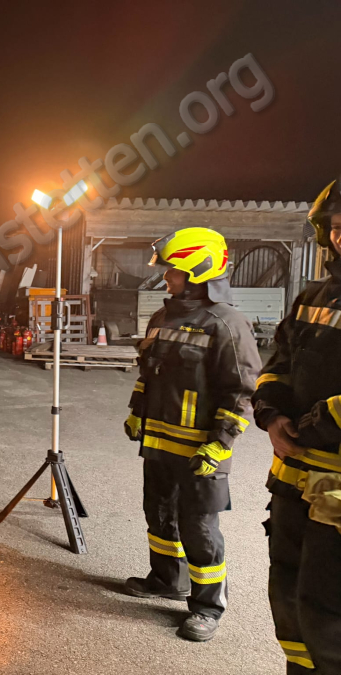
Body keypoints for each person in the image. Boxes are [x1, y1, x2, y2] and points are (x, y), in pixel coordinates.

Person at [123, 227, 260, 642]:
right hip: (159, 444)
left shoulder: (227, 323)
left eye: (174, 271)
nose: (166, 277)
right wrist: (136, 412)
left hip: (202, 450)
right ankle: (167, 580)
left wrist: (220, 444)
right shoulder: (162, 317)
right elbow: (148, 375)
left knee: (198, 528)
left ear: (199, 272)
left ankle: (208, 607)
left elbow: (242, 391)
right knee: (159, 514)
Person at [252, 177, 341, 674]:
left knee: (331, 622)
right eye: (336, 226)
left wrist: (320, 423)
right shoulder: (313, 297)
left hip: (337, 494)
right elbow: (279, 361)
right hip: (293, 485)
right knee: (288, 604)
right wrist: (272, 414)